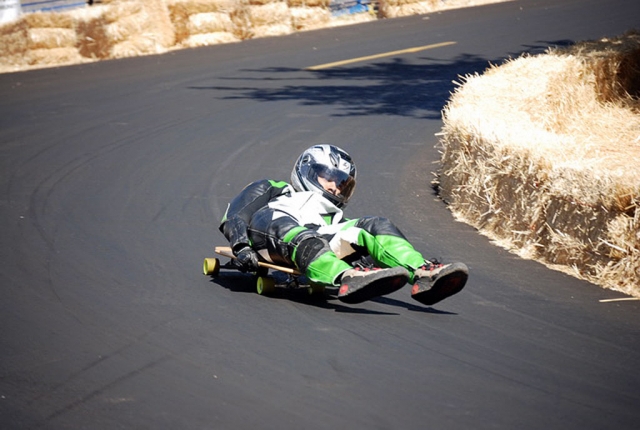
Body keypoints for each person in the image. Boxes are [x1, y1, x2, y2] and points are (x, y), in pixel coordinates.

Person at [219, 144, 468, 305]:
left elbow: (355, 242)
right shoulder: (274, 188)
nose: (335, 187)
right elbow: (235, 215)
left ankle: (423, 273)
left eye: (342, 183)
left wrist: (369, 259)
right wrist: (241, 245)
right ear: (307, 171)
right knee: (298, 232)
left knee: (374, 225)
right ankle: (345, 277)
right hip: (269, 229)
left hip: (318, 235)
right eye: (328, 177)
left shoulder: (335, 216)